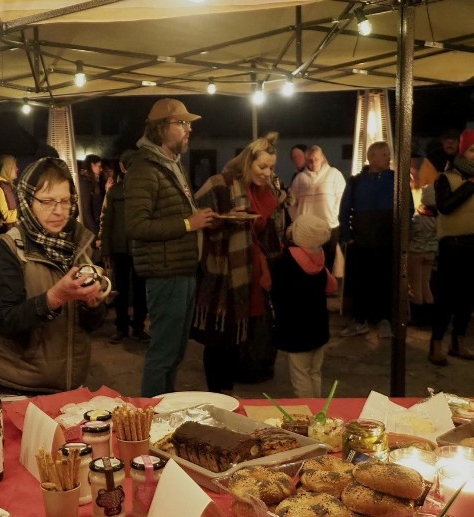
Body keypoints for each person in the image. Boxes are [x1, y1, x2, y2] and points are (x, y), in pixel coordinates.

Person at [0, 157, 106, 392]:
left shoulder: (81, 244)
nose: (59, 211)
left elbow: (93, 324)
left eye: (65, 200)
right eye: (47, 202)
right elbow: (4, 320)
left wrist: (92, 305)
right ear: (28, 201)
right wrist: (55, 298)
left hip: (70, 386)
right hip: (18, 387)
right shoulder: (7, 248)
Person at [124, 98, 216, 397]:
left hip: (182, 268)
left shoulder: (171, 165)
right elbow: (137, 226)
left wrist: (202, 218)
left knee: (175, 352)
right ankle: (150, 417)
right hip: (165, 273)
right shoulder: (144, 169)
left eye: (189, 123)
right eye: (182, 123)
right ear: (161, 128)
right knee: (163, 353)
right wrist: (189, 224)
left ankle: (166, 407)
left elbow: (176, 211)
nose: (189, 129)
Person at [192, 132, 286, 393]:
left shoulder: (268, 191)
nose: (267, 173)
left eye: (271, 167)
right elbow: (194, 216)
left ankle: (228, 389)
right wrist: (225, 218)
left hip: (252, 275)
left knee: (238, 337)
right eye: (262, 166)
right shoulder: (221, 183)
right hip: (224, 273)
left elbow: (270, 231)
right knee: (219, 338)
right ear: (248, 162)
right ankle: (217, 391)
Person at [264, 214, 337, 397]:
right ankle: (319, 410)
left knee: (300, 375)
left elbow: (266, 283)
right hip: (318, 328)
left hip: (295, 330)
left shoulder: (283, 263)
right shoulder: (320, 258)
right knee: (314, 372)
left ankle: (308, 414)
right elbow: (331, 286)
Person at [338, 141, 398, 339]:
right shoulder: (356, 182)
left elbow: (407, 208)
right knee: (360, 283)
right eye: (385, 154)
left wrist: (402, 237)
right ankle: (360, 320)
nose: (389, 158)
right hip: (361, 242)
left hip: (386, 242)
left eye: (388, 154)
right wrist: (348, 236)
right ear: (372, 157)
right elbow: (344, 210)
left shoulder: (396, 180)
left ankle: (384, 320)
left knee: (384, 283)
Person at [429, 128, 474, 365]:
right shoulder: (446, 178)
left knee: (467, 298)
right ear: (463, 151)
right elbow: (445, 206)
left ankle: (459, 341)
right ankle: (436, 344)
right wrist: (471, 185)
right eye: (472, 150)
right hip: (452, 245)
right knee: (446, 297)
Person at [99, 149, 148, 344]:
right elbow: (107, 220)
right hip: (123, 247)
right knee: (122, 289)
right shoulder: (116, 191)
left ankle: (136, 327)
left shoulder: (140, 191)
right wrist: (105, 249)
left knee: (137, 289)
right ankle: (124, 327)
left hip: (137, 246)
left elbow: (105, 221)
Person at [289, 145, 346, 271]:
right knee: (307, 265)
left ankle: (327, 288)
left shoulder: (334, 174)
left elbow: (341, 197)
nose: (313, 162)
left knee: (328, 264)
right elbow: (291, 202)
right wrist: (297, 218)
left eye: (316, 159)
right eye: (310, 160)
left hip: (329, 227)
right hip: (307, 230)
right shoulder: (299, 178)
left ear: (322, 159)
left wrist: (333, 214)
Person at [408, 184, 438, 328]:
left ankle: (418, 318)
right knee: (426, 284)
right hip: (431, 254)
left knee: (416, 286)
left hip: (416, 253)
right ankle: (430, 317)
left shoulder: (418, 219)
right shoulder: (438, 219)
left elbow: (410, 234)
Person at [78, 154, 104, 237]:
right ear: (92, 165)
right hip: (92, 229)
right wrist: (95, 234)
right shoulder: (86, 182)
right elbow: (86, 210)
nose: (101, 169)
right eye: (99, 166)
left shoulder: (90, 181)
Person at [0, 155, 19, 226]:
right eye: (14, 167)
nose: (17, 169)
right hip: (5, 231)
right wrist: (23, 213)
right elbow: (4, 216)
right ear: (6, 168)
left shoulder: (10, 186)